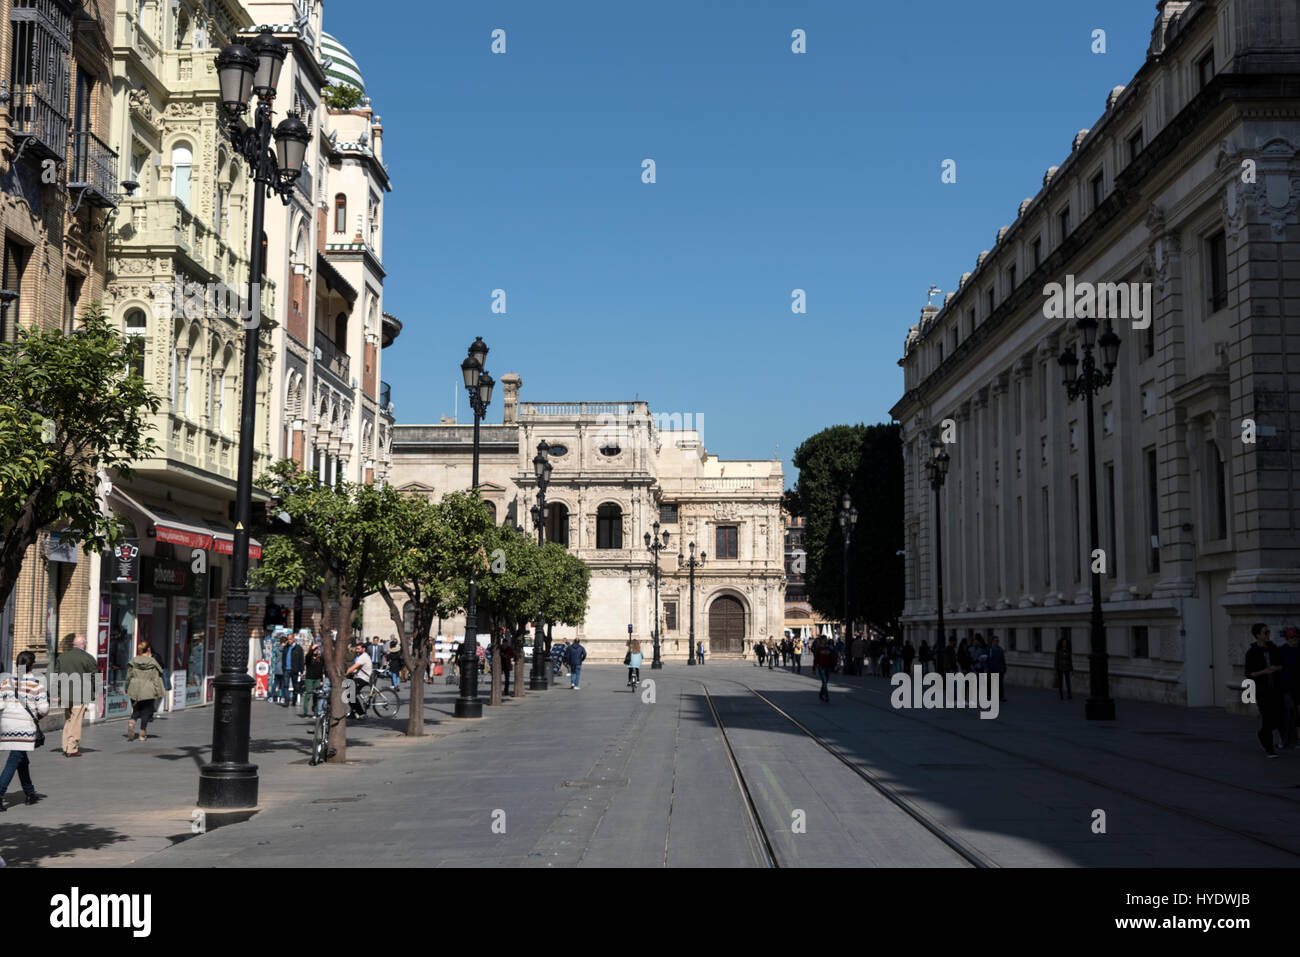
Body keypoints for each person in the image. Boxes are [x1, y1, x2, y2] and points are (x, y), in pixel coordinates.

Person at [0, 650, 48, 810]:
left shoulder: (6, 683)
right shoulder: (36, 685)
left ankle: (30, 792)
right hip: (25, 727)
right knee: (14, 760)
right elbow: (43, 709)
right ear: (32, 665)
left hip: (7, 726)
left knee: (21, 759)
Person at [54, 635, 96, 757]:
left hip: (65, 693)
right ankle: (72, 748)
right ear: (83, 644)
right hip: (80, 694)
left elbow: (56, 674)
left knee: (69, 719)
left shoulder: (62, 657)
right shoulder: (88, 658)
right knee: (76, 720)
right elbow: (94, 676)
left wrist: (56, 693)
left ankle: (65, 745)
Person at [1245, 622, 1283, 757]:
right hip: (1261, 690)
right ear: (1257, 635)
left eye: (1268, 632)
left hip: (1276, 689)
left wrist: (1276, 668)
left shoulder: (1273, 648)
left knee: (1278, 717)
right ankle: (1269, 748)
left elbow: (1281, 665)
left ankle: (1262, 734)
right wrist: (1264, 672)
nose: (1268, 635)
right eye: (1265, 633)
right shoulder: (1252, 652)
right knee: (1267, 718)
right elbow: (1249, 674)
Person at [125, 641, 166, 742]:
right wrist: (159, 692)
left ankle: (132, 721)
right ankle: (142, 734)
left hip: (134, 688)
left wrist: (126, 687)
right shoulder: (152, 662)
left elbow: (128, 676)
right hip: (148, 689)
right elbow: (156, 679)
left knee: (136, 709)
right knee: (146, 712)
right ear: (148, 649)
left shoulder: (133, 661)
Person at [1279, 627, 1300, 749]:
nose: (1295, 640)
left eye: (1296, 637)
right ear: (1287, 639)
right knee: (1289, 713)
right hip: (1286, 687)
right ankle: (1286, 740)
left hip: (1297, 686)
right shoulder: (1282, 651)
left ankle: (1294, 740)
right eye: (1292, 638)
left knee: (1295, 715)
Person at [347, 641, 374, 719]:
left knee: (350, 694)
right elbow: (357, 669)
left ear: (363, 649)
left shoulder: (363, 657)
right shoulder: (362, 656)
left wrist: (346, 673)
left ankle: (361, 713)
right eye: (356, 649)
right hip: (359, 677)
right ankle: (353, 713)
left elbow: (354, 666)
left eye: (358, 649)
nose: (357, 650)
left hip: (363, 679)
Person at [301, 643, 325, 717]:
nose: (316, 650)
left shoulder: (320, 659)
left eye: (317, 649)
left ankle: (315, 712)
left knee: (316, 696)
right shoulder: (308, 658)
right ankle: (305, 712)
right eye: (314, 649)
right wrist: (312, 648)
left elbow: (321, 670)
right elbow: (308, 655)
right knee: (308, 695)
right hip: (309, 679)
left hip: (317, 679)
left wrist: (321, 680)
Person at [812, 636, 836, 703]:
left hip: (828, 667)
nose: (825, 641)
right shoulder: (819, 649)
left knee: (825, 682)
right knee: (824, 682)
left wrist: (835, 665)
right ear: (821, 641)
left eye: (826, 640)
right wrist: (814, 668)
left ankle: (821, 694)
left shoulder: (829, 649)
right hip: (821, 667)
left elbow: (833, 658)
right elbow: (816, 659)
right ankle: (826, 696)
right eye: (824, 640)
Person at [283, 637, 304, 709]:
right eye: (288, 639)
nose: (289, 640)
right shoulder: (285, 647)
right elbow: (283, 658)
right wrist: (283, 667)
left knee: (296, 686)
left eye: (290, 639)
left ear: (294, 639)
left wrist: (301, 671)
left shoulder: (298, 648)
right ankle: (287, 701)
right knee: (285, 685)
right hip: (286, 669)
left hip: (294, 669)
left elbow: (301, 660)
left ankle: (294, 700)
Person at [986, 635, 1007, 702]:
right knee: (990, 683)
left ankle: (1001, 697)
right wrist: (986, 667)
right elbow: (987, 659)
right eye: (996, 641)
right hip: (991, 669)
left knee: (1000, 683)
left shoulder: (1000, 649)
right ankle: (989, 696)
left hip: (999, 669)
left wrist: (1004, 667)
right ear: (992, 642)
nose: (997, 642)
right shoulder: (989, 649)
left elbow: (1003, 659)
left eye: (998, 641)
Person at [1054, 635, 1074, 701]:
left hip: (1067, 667)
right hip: (1060, 668)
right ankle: (1061, 695)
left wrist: (1072, 669)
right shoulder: (1058, 650)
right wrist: (1055, 669)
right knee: (1060, 682)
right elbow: (1056, 660)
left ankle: (1069, 694)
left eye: (1065, 642)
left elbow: (1070, 660)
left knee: (1068, 681)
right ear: (1061, 643)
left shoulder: (1068, 650)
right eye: (1063, 642)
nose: (1064, 644)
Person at [270, 636, 286, 704]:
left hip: (277, 668)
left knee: (275, 683)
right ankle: (282, 697)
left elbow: (275, 657)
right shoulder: (286, 649)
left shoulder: (276, 649)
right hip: (283, 668)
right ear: (285, 642)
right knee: (283, 684)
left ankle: (272, 696)